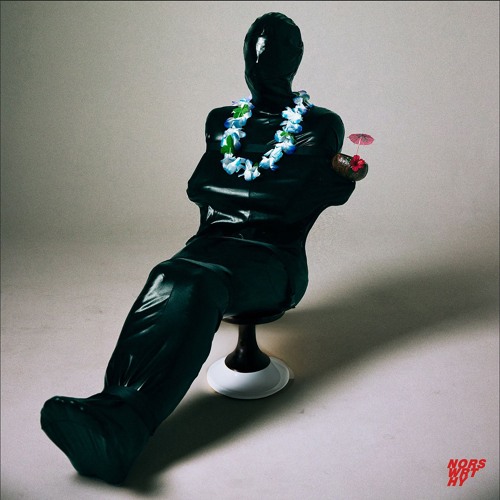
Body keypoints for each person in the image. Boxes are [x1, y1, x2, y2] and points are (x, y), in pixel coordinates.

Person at [40, 12, 362, 485]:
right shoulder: (221, 122)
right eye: (254, 57)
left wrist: (266, 185)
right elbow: (213, 187)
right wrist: (259, 187)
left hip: (273, 259)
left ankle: (127, 428)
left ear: (294, 62)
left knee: (196, 281)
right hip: (209, 246)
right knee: (167, 274)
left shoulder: (318, 125)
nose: (261, 68)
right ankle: (114, 406)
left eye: (274, 58)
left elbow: (275, 199)